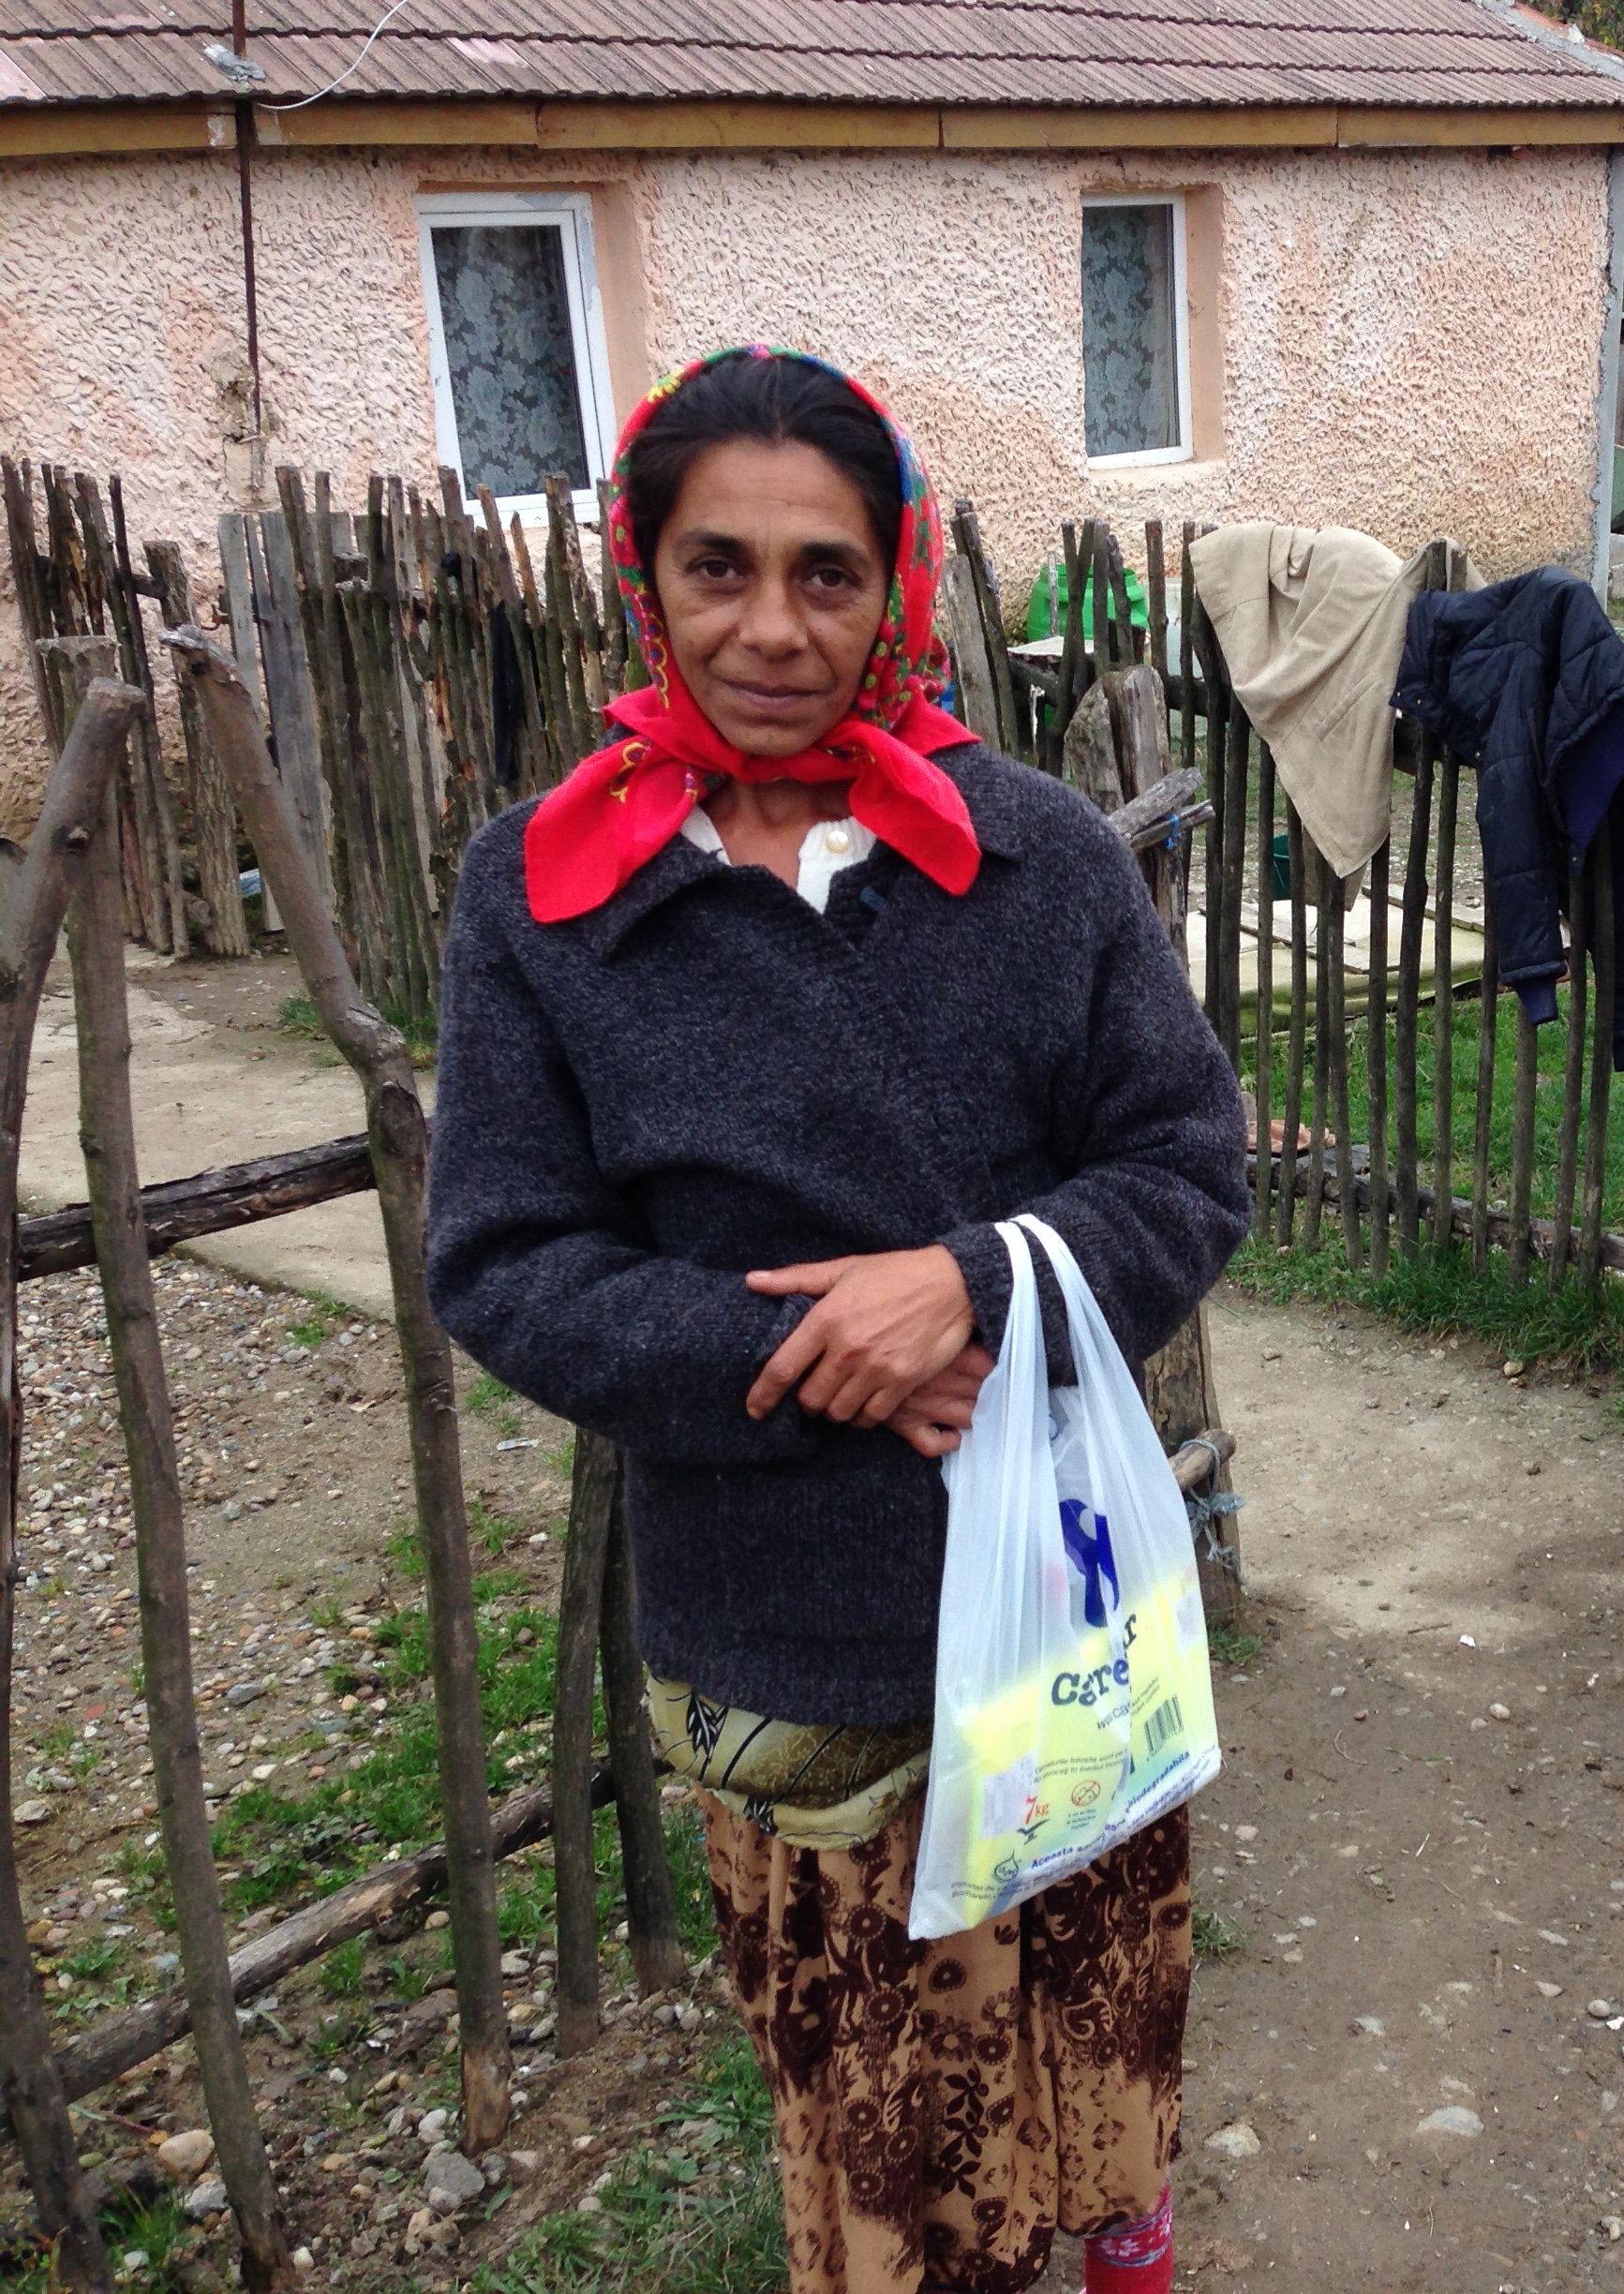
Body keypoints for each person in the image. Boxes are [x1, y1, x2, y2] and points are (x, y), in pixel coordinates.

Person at [425, 347, 1250, 2293]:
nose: (773, 629)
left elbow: (1187, 1163)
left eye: (827, 572)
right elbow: (508, 1260)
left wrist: (972, 1280)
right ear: (644, 579)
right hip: (794, 1639)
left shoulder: (1035, 859)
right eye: (718, 568)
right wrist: (810, 1362)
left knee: (1096, 2044)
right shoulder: (545, 897)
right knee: (893, 2148)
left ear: (897, 588)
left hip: (1062, 1603)